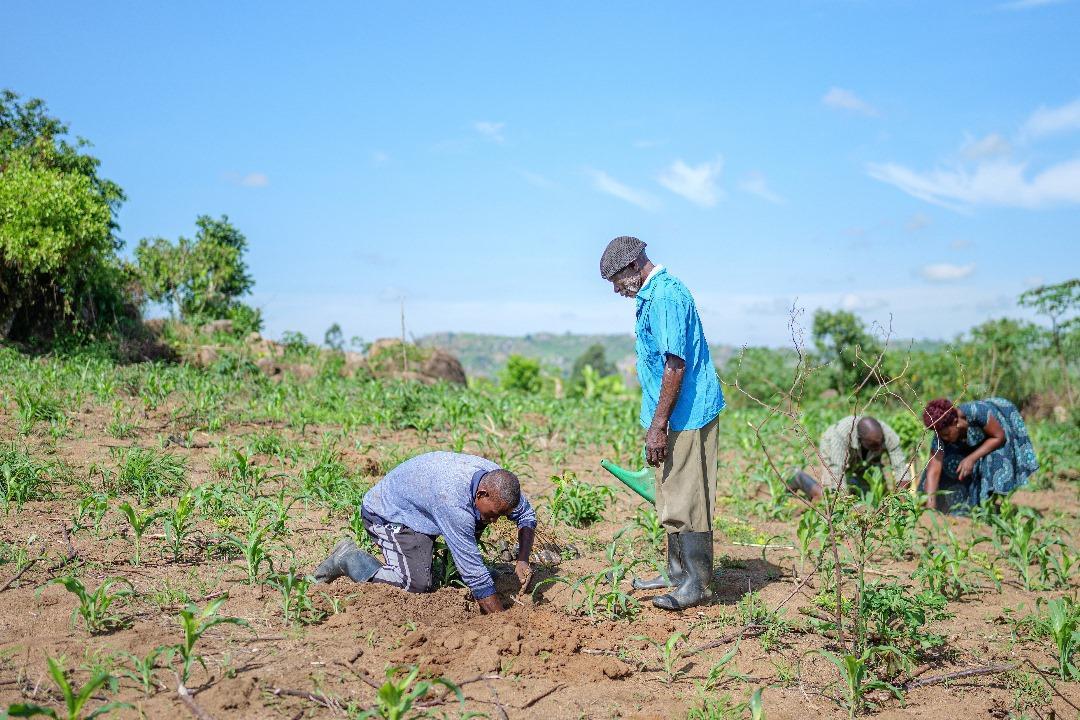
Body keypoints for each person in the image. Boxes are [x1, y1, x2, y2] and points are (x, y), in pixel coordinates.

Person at [600, 235, 724, 611]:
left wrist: (658, 426)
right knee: (671, 492)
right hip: (673, 412)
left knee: (688, 497)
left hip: (686, 413)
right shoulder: (652, 296)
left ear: (635, 265)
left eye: (618, 280)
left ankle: (696, 584)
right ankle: (676, 573)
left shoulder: (666, 297)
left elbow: (675, 365)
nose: (618, 289)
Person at [313, 451, 536, 614]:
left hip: (425, 507)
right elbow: (476, 576)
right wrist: (501, 620)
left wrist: (522, 560)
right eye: (495, 513)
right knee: (415, 584)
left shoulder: (498, 483)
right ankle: (350, 559)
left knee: (479, 519)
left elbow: (526, 516)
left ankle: (454, 570)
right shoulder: (453, 501)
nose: (496, 521)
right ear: (482, 494)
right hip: (391, 513)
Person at [920, 397, 1039, 514]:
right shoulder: (940, 432)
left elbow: (999, 437)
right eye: (941, 435)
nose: (944, 438)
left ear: (955, 422)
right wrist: (930, 510)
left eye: (946, 434)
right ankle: (972, 503)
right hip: (977, 439)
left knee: (994, 459)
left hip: (999, 429)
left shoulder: (977, 412)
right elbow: (933, 471)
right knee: (950, 464)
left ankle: (994, 506)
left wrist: (971, 458)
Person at [788, 415, 911, 501]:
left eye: (880, 444)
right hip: (832, 449)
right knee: (831, 500)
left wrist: (901, 498)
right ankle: (799, 478)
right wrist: (844, 504)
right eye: (873, 446)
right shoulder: (841, 434)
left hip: (864, 456)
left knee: (873, 497)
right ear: (861, 440)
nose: (879, 449)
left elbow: (901, 468)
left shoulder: (887, 435)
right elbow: (837, 474)